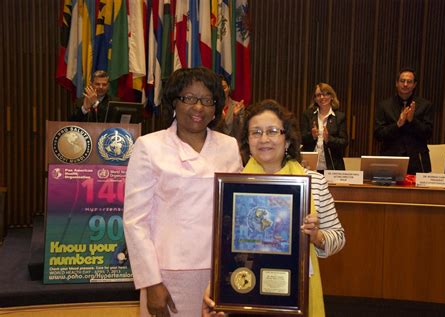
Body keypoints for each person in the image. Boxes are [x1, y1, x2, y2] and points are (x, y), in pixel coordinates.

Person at [204, 99, 346, 317]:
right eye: (255, 132)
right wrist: (218, 290)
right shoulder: (233, 188)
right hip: (246, 293)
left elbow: (338, 238)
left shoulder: (313, 183)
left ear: (287, 139)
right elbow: (222, 248)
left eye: (272, 131)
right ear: (247, 141)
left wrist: (316, 236)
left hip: (296, 294)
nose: (264, 139)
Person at [123, 67, 243, 317]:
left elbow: (237, 212)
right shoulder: (149, 146)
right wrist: (151, 282)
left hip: (220, 270)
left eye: (207, 100)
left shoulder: (229, 146)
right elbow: (135, 222)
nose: (198, 107)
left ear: (216, 107)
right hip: (168, 273)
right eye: (189, 98)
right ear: (174, 103)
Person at [374, 67, 433, 174]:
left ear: (414, 85)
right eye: (402, 81)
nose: (405, 84)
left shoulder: (425, 105)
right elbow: (378, 135)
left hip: (417, 161)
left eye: (409, 82)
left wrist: (412, 120)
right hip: (391, 159)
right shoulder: (384, 106)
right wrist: (397, 124)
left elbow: (428, 133)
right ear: (397, 83)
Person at [300, 83, 348, 171]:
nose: (322, 97)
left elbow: (344, 142)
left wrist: (328, 139)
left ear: (332, 96)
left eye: (326, 94)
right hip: (310, 168)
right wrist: (312, 136)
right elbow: (300, 139)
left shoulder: (339, 117)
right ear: (315, 99)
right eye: (318, 95)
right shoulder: (307, 115)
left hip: (332, 167)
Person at [215, 75, 245, 140]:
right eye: (219, 88)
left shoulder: (237, 106)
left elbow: (240, 133)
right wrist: (221, 120)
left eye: (224, 87)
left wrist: (235, 116)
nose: (222, 91)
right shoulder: (212, 106)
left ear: (229, 88)